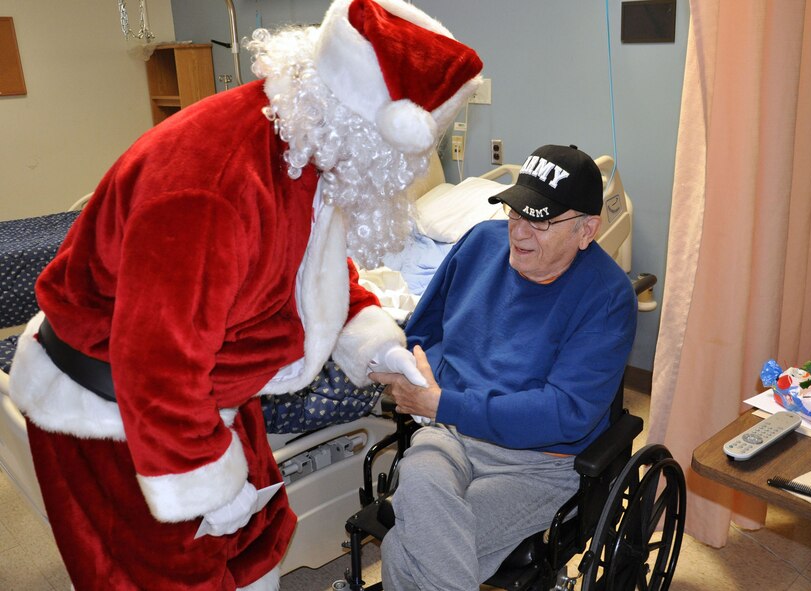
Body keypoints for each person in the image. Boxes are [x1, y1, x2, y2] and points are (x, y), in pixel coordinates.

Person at [8, 1, 482, 589]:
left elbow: (310, 265)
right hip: (124, 422)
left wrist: (376, 345)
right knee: (170, 578)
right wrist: (206, 483)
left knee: (257, 545)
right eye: (411, 154)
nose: (410, 170)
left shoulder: (306, 144)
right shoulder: (212, 187)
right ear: (379, 129)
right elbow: (156, 363)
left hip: (212, 398)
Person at [370, 144, 638, 591]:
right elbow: (422, 332)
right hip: (448, 435)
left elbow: (565, 413)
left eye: (541, 221)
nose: (520, 231)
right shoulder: (479, 243)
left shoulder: (607, 298)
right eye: (516, 213)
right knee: (419, 479)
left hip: (535, 464)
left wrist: (444, 403)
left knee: (406, 546)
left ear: (587, 230)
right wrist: (414, 370)